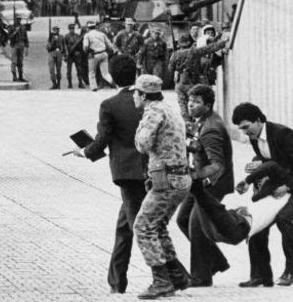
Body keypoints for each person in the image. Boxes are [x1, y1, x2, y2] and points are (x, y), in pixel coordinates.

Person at [72, 55, 147, 294]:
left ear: (111, 77)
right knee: (124, 226)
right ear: (135, 73)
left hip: (127, 173)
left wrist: (84, 152)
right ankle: (116, 282)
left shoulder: (109, 105)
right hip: (149, 170)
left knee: (139, 228)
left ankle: (175, 275)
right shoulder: (148, 100)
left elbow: (102, 140)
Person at [232, 102, 293, 288]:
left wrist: (288, 187)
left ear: (258, 120)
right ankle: (260, 275)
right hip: (279, 182)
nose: (245, 133)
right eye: (241, 129)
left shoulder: (282, 133)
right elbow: (269, 161)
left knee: (284, 220)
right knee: (257, 221)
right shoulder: (254, 137)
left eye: (247, 127)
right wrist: (253, 171)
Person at [132, 74, 191, 299]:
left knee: (143, 226)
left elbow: (143, 143)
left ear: (143, 95)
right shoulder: (169, 108)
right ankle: (177, 276)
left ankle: (161, 281)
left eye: (135, 94)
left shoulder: (153, 112)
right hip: (179, 178)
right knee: (158, 226)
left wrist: (138, 133)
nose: (133, 98)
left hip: (167, 180)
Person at [176, 84, 233, 287]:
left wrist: (198, 178)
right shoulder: (204, 121)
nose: (191, 105)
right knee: (183, 219)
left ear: (208, 105)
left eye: (197, 102)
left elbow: (217, 164)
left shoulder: (211, 128)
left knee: (197, 225)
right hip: (200, 184)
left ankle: (201, 276)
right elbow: (201, 148)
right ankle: (216, 261)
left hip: (211, 185)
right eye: (190, 100)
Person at [168, 34, 227, 122]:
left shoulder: (175, 55)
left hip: (180, 82)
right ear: (189, 43)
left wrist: (177, 71)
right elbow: (210, 48)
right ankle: (198, 122)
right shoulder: (194, 52)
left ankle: (187, 124)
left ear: (179, 44)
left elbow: (170, 69)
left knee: (183, 105)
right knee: (194, 103)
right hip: (193, 82)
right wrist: (223, 42)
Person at [82, 21, 114, 91]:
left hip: (94, 55)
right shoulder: (102, 34)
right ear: (95, 27)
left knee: (91, 73)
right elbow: (110, 45)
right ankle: (114, 83)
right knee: (105, 73)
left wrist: (87, 52)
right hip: (104, 53)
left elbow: (86, 46)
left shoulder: (87, 35)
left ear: (88, 28)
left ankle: (94, 88)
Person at [63, 23, 86, 88]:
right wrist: (65, 55)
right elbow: (64, 46)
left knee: (79, 69)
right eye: (70, 29)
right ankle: (70, 83)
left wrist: (78, 52)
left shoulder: (77, 36)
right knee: (69, 70)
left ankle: (80, 83)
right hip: (69, 55)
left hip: (76, 55)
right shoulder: (66, 36)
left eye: (73, 28)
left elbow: (80, 45)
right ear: (69, 29)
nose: (72, 30)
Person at [9, 16, 29, 82]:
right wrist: (15, 31)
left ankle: (21, 76)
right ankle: (14, 77)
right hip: (14, 45)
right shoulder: (11, 27)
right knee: (14, 61)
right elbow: (9, 36)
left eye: (19, 19)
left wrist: (27, 48)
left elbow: (26, 38)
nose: (18, 20)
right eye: (17, 19)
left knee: (20, 61)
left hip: (21, 45)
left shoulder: (23, 27)